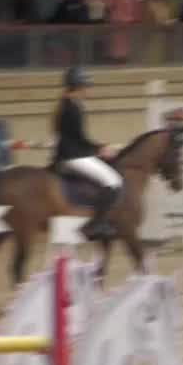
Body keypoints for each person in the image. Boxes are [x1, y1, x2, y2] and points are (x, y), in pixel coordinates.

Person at [52, 66, 121, 238]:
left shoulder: (67, 104)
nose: (89, 89)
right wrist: (100, 149)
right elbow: (79, 138)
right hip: (73, 157)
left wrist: (97, 148)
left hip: (68, 154)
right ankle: (97, 224)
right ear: (78, 86)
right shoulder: (72, 107)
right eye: (87, 86)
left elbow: (75, 137)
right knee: (113, 181)